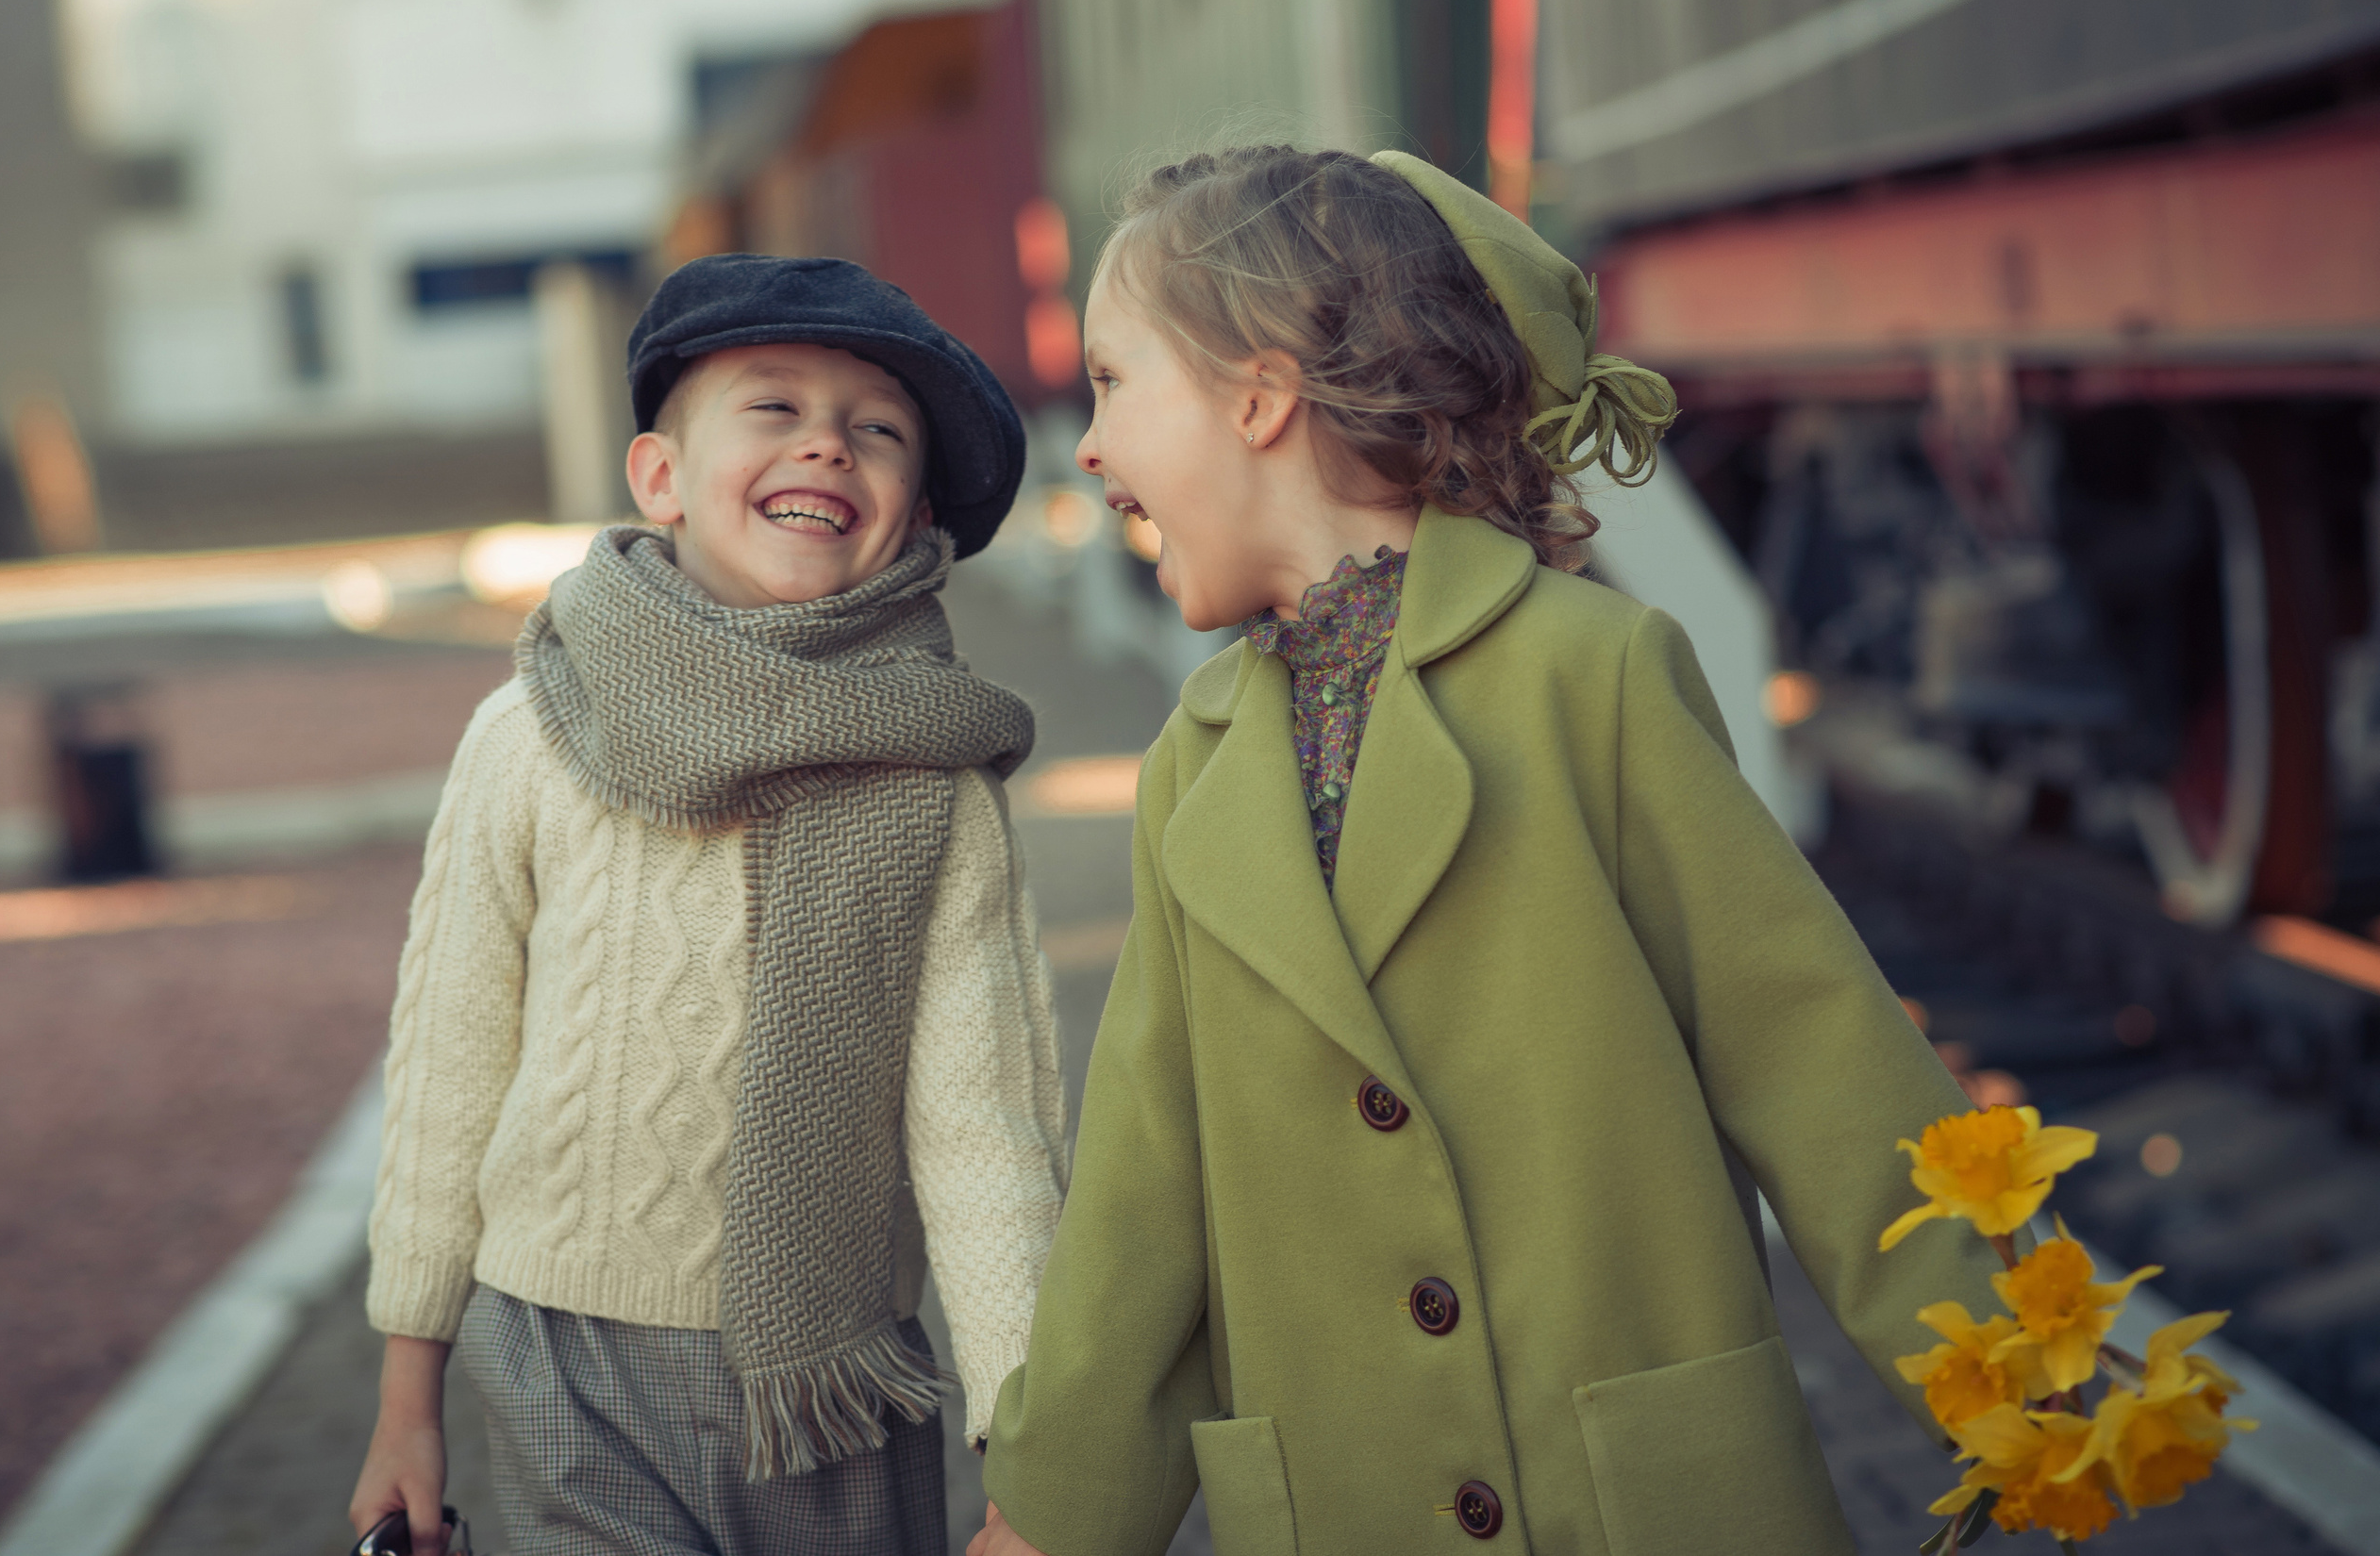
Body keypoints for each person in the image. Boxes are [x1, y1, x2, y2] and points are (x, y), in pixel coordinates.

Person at [970, 147, 2004, 1556]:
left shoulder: (1595, 677)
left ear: (1259, 394)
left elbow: (1817, 1050)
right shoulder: (1189, 776)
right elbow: (1147, 1197)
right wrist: (1055, 1512)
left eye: (1111, 380)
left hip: (1639, 1504)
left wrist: (2011, 1378)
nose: (1087, 444)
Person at [349, 254, 1067, 1556]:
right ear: (660, 478)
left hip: (835, 1381)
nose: (830, 447)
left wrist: (1032, 1461)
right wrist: (410, 1398)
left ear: (915, 517)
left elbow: (986, 1134)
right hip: (560, 1355)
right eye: (775, 406)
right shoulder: (529, 737)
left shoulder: (934, 780)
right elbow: (450, 1067)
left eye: (879, 429)